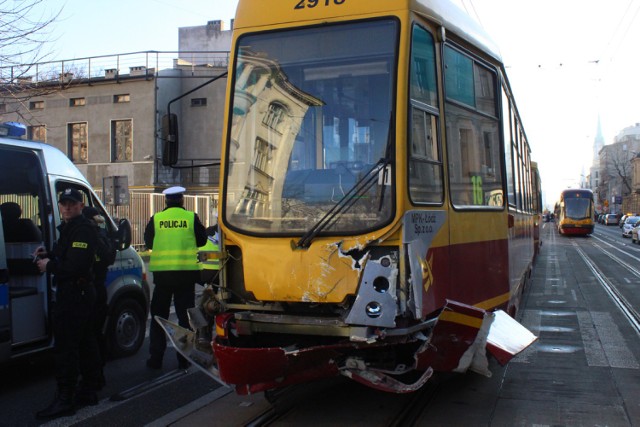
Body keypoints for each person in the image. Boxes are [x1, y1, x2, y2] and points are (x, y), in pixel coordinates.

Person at [35, 188, 102, 420]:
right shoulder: (71, 228)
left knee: (66, 347)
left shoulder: (82, 229)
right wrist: (50, 255)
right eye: (63, 203)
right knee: (84, 342)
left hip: (75, 293)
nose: (66, 208)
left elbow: (76, 266)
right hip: (78, 292)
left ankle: (66, 399)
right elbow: (67, 256)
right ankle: (88, 390)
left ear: (81, 206)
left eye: (72, 204)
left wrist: (49, 266)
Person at [144, 186, 207, 370]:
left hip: (163, 277)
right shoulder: (190, 218)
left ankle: (156, 358)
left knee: (158, 318)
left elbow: (148, 242)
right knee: (184, 319)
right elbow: (202, 240)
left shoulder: (157, 219)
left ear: (166, 201)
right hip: (185, 276)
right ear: (182, 200)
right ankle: (183, 358)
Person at [83, 206, 116, 387]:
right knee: (94, 334)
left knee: (92, 334)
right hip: (94, 290)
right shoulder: (99, 235)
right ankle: (95, 373)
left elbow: (107, 257)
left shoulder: (95, 235)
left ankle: (96, 374)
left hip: (93, 289)